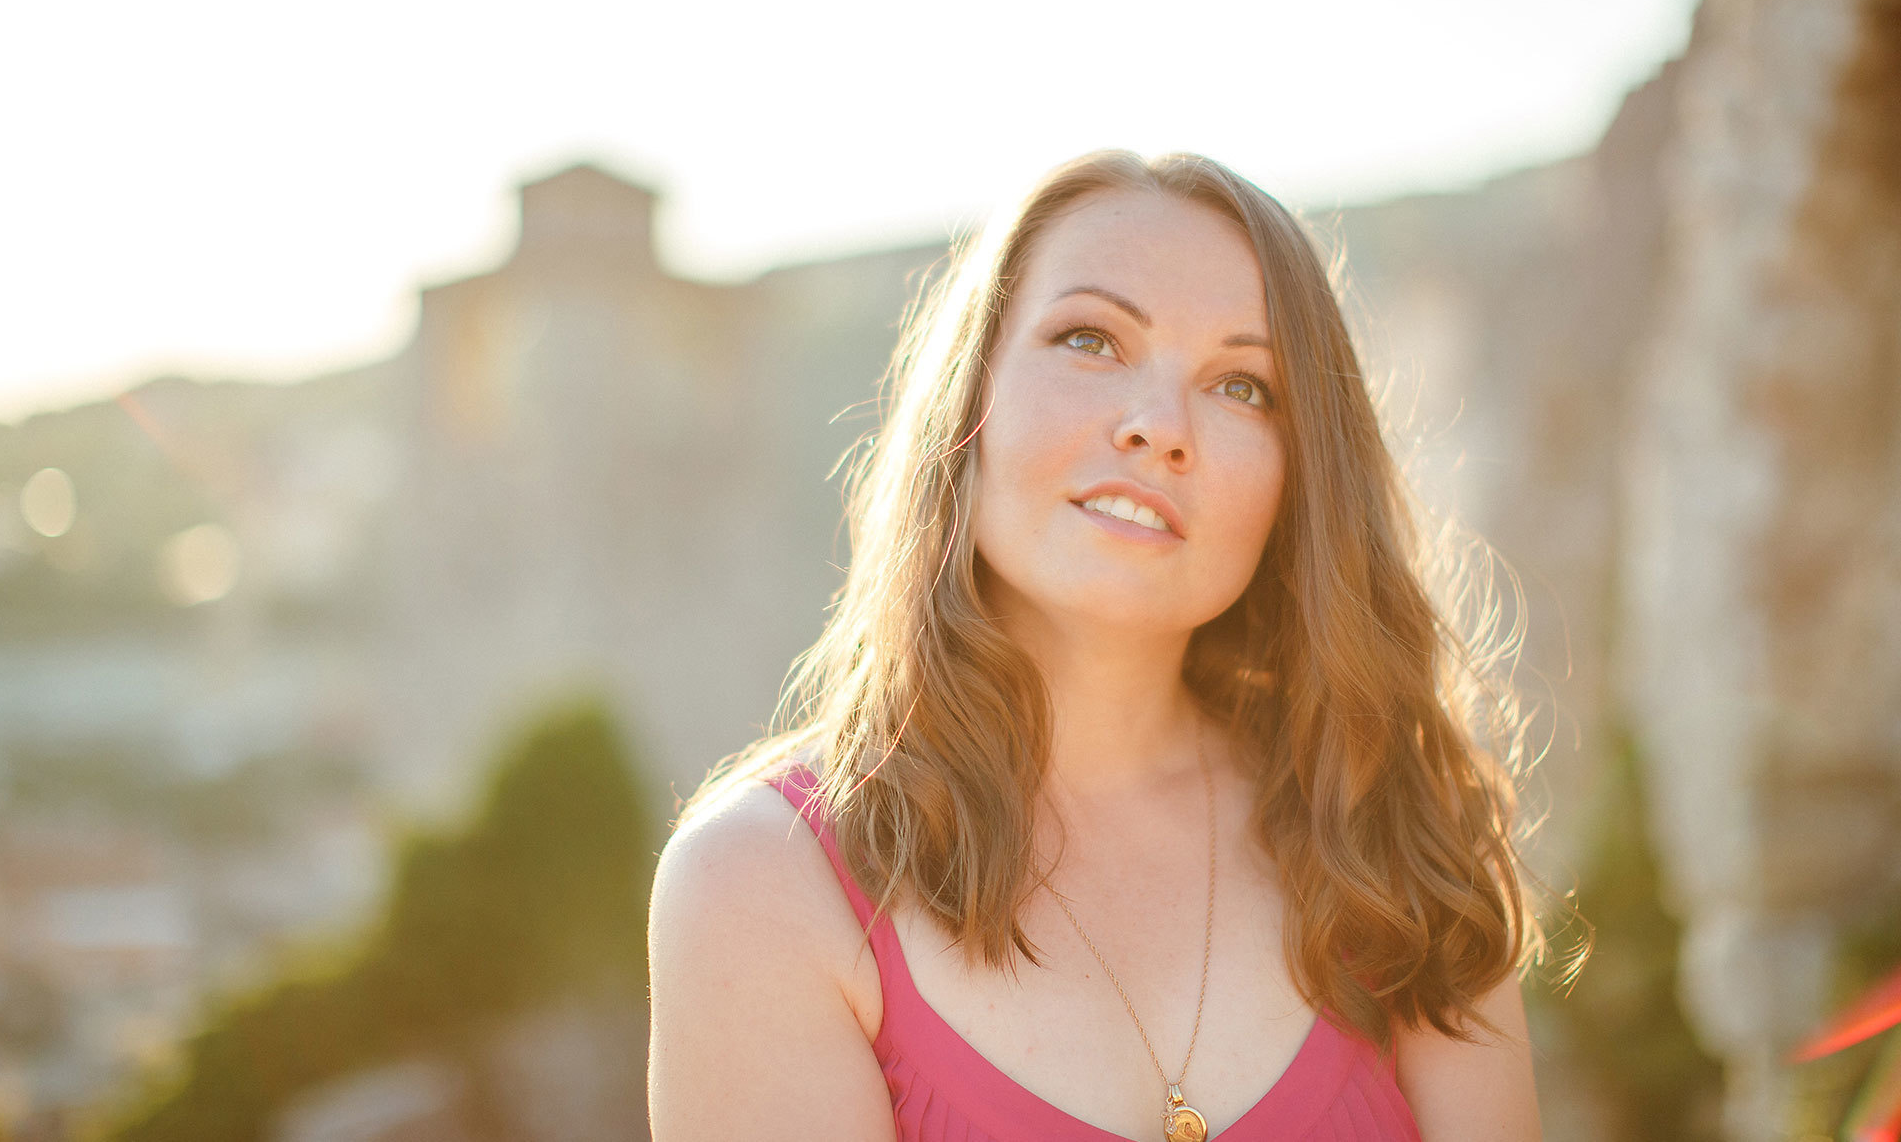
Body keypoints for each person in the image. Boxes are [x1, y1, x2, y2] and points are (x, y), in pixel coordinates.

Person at [647, 150, 1568, 1141]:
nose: (1157, 426)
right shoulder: (764, 885)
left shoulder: (1397, 838)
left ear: (1300, 479)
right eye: (1090, 338)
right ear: (970, 400)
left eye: (1243, 386)